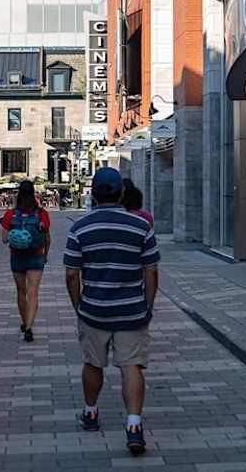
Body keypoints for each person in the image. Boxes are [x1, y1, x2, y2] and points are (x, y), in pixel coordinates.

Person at [64, 167, 160, 455]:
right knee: (132, 366)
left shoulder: (80, 228)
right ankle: (133, 425)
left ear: (93, 193)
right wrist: (148, 305)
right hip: (132, 310)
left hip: (94, 309)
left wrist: (79, 306)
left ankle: (90, 413)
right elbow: (151, 270)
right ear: (121, 193)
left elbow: (71, 274)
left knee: (93, 363)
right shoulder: (141, 227)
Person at [0, 180, 51, 342]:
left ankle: (23, 322)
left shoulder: (10, 214)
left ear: (18, 194)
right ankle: (29, 327)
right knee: (33, 292)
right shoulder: (42, 214)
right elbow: (48, 239)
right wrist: (45, 255)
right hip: (36, 256)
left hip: (17, 257)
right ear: (34, 194)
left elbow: (4, 239)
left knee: (21, 292)